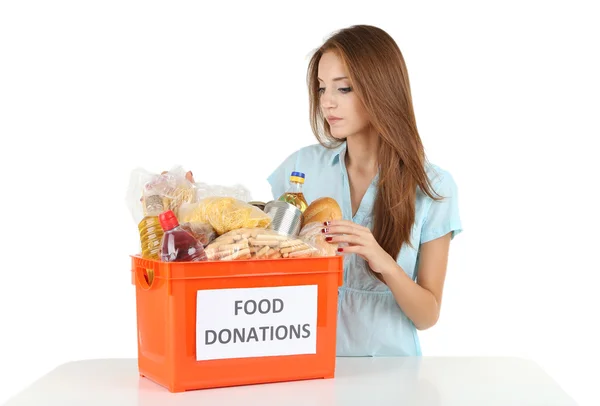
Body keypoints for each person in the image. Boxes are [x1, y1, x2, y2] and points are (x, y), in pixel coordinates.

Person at [267, 24, 463, 357]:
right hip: (307, 365)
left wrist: (382, 261)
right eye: (321, 88)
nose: (327, 102)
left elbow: (427, 315)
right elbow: (262, 258)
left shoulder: (433, 187)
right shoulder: (301, 168)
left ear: (381, 90)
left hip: (391, 377)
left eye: (343, 89)